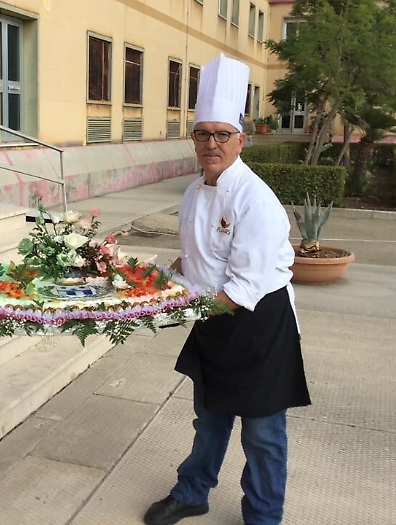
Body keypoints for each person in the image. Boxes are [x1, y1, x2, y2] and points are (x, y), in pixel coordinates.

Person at [143, 54, 311, 525]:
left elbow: (246, 284)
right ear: (193, 139)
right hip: (213, 320)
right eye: (203, 134)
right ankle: (192, 492)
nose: (211, 143)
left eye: (222, 134)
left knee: (263, 435)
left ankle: (263, 516)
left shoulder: (256, 199)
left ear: (241, 139)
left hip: (260, 326)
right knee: (209, 418)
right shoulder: (193, 192)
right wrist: (151, 286)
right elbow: (193, 260)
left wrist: (176, 310)